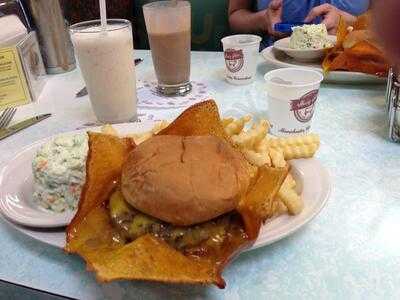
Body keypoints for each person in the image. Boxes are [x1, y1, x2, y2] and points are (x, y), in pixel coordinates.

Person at [228, 0, 370, 49]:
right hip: (275, 66)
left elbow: (389, 22)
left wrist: (350, 23)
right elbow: (235, 14)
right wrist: (263, 20)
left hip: (353, 71)